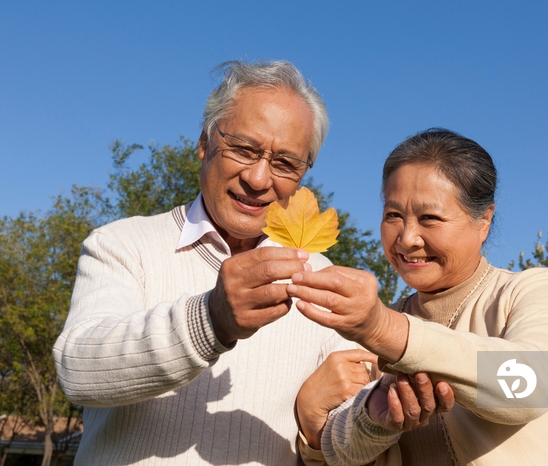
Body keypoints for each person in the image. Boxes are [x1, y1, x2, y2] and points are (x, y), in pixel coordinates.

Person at [53, 60, 451, 466]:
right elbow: (77, 371)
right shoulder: (123, 244)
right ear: (204, 143)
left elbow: (332, 439)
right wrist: (211, 320)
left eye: (285, 163)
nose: (259, 179)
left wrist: (374, 417)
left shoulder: (318, 275)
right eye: (243, 149)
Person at [290, 128, 548, 465]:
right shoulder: (366, 341)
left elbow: (529, 387)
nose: (407, 239)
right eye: (393, 215)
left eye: (429, 218)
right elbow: (336, 455)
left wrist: (384, 330)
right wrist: (373, 421)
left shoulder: (534, 291)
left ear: (484, 221)